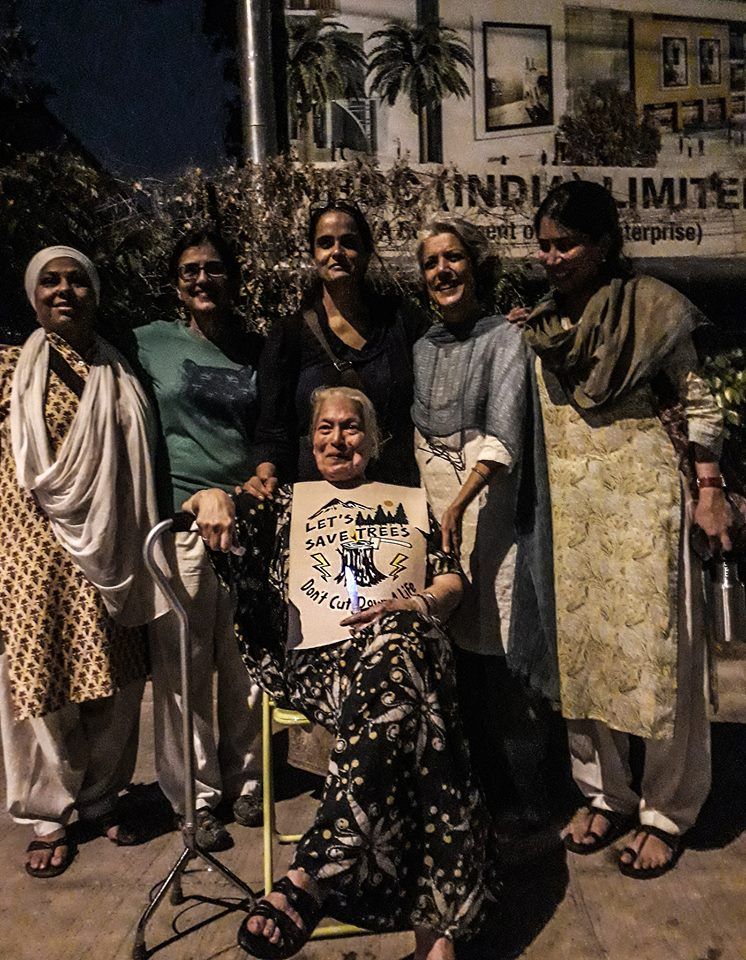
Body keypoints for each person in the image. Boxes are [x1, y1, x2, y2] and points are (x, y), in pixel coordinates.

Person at [185, 386, 492, 960]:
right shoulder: (285, 504)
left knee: (401, 656)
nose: (337, 438)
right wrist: (209, 497)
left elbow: (452, 582)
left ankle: (312, 874)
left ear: (373, 441)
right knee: (421, 707)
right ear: (310, 440)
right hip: (321, 661)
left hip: (405, 645)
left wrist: (417, 605)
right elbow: (223, 517)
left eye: (351, 427)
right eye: (325, 428)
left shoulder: (411, 502)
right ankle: (438, 935)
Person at [508, 179, 732, 878]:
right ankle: (604, 795)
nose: (552, 257)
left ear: (604, 244)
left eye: (567, 243)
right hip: (571, 516)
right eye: (543, 244)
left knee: (667, 660)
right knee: (584, 660)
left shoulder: (653, 310)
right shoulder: (541, 327)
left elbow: (699, 402)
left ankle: (667, 811)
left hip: (647, 508)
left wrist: (710, 489)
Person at [0, 246, 163, 877]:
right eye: (50, 281)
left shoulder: (117, 372)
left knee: (115, 684)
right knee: (41, 690)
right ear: (32, 294)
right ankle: (48, 812)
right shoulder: (10, 369)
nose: (63, 290)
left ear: (95, 292)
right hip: (29, 553)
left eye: (76, 281)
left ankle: (99, 799)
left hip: (110, 551)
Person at [412, 217, 549, 826]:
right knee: (456, 662)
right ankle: (476, 798)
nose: (443, 270)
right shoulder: (420, 348)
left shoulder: (506, 339)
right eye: (431, 262)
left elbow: (502, 437)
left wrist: (460, 502)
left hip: (489, 514)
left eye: (454, 258)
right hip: (438, 514)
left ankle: (525, 806)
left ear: (476, 264)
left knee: (501, 659)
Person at [133, 229, 263, 851]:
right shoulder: (148, 343)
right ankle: (197, 798)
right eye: (190, 271)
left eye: (215, 268)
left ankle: (248, 781)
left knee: (248, 663)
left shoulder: (256, 347)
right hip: (181, 528)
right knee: (184, 669)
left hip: (250, 524)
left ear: (232, 277)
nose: (203, 279)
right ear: (175, 283)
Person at [250, 200, 422, 494]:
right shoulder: (288, 335)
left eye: (349, 243)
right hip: (318, 507)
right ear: (314, 255)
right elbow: (272, 429)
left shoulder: (400, 322)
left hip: (395, 499)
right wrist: (266, 473)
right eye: (325, 243)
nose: (336, 252)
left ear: (367, 254)